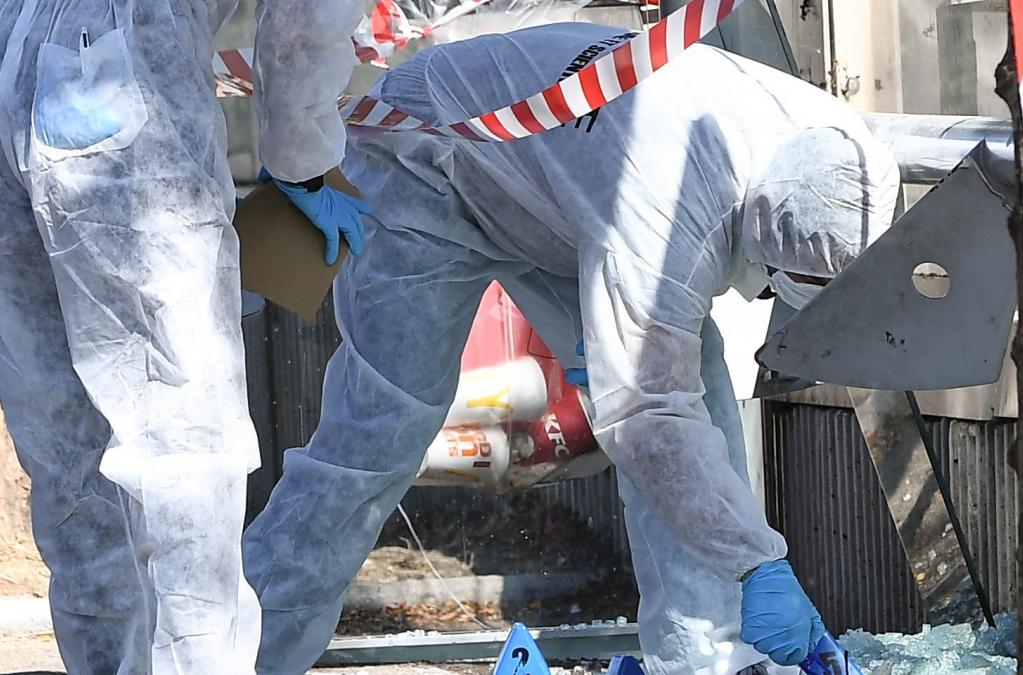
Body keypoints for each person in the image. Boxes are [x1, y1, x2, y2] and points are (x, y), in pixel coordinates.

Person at [243, 21, 899, 675]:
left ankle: (707, 660)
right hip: (425, 156)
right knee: (376, 437)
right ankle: (243, 653)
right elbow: (648, 417)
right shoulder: (671, 206)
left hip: (553, 187)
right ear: (758, 228)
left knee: (693, 406)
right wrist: (757, 562)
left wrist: (750, 553)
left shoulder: (855, 163)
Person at [0, 0, 369, 672]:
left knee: (66, 446)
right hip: (113, 68)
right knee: (185, 441)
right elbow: (304, 20)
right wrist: (303, 160)